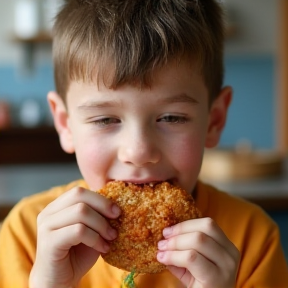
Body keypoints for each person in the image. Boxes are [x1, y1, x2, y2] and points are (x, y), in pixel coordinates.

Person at [0, 0, 287, 287]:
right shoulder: (27, 235)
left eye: (172, 117)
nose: (138, 152)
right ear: (65, 124)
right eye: (104, 119)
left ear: (214, 121)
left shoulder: (252, 240)